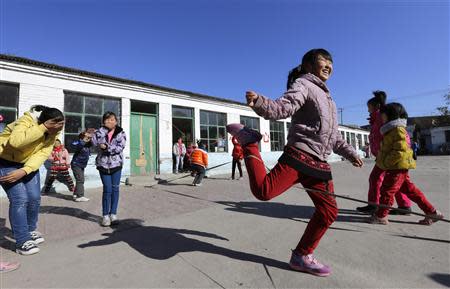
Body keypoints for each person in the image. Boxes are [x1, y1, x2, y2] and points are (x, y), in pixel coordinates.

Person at [226, 49, 363, 277]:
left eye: (331, 62)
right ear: (308, 65)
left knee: (329, 212)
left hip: (320, 163)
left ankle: (301, 256)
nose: (328, 65)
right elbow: (285, 106)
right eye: (323, 61)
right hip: (299, 155)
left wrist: (350, 153)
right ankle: (249, 143)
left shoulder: (329, 99)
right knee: (263, 191)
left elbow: (333, 136)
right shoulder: (303, 84)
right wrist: (260, 103)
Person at [0, 105, 64, 255]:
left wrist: (24, 170)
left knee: (34, 198)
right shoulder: (25, 121)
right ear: (46, 122)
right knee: (20, 199)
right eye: (56, 125)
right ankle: (22, 241)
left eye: (61, 125)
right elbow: (16, 142)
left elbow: (42, 153)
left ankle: (30, 230)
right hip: (5, 161)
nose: (59, 129)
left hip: (27, 164)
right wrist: (42, 128)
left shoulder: (54, 133)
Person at [369, 103, 443, 225]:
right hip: (397, 167)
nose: (381, 117)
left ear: (391, 116)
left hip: (397, 167)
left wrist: (387, 162)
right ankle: (432, 212)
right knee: (411, 191)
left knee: (387, 190)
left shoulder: (398, 130)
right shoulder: (390, 130)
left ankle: (381, 216)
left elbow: (400, 151)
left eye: (383, 115)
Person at [356, 91, 412, 215]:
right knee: (401, 183)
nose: (368, 110)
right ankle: (405, 206)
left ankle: (375, 205)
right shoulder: (377, 118)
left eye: (369, 107)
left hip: (388, 156)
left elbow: (398, 136)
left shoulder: (382, 118)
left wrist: (393, 154)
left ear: (375, 106)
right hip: (386, 155)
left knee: (376, 179)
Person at [92, 112, 126, 227]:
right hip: (103, 165)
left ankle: (113, 214)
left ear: (116, 121)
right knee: (107, 190)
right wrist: (103, 129)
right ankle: (105, 216)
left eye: (112, 120)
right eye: (107, 120)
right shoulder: (100, 131)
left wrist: (107, 148)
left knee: (115, 189)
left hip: (116, 165)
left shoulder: (121, 133)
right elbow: (94, 142)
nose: (110, 122)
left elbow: (120, 147)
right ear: (103, 121)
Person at [70, 130, 94, 202]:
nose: (88, 139)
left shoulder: (88, 144)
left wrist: (91, 136)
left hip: (81, 165)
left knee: (79, 179)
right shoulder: (78, 143)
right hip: (76, 164)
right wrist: (84, 139)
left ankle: (75, 194)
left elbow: (93, 142)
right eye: (86, 137)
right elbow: (78, 145)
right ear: (82, 137)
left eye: (88, 137)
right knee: (81, 179)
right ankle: (80, 196)